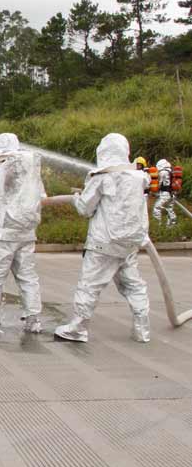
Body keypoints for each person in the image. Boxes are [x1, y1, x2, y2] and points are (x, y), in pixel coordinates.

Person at [55, 133, 151, 343]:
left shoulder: (101, 177)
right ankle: (142, 330)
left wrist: (77, 197)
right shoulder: (139, 177)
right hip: (129, 242)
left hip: (104, 243)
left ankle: (77, 329)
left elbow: (85, 209)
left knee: (89, 286)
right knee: (134, 285)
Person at [0, 133, 45, 333]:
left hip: (1, 234)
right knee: (28, 277)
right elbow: (41, 198)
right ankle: (33, 320)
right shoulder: (31, 174)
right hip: (26, 234)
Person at [152, 158, 177, 226]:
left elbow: (159, 184)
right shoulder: (171, 171)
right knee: (170, 209)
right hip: (172, 194)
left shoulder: (162, 172)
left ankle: (157, 224)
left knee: (157, 207)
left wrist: (154, 191)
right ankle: (172, 226)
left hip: (165, 194)